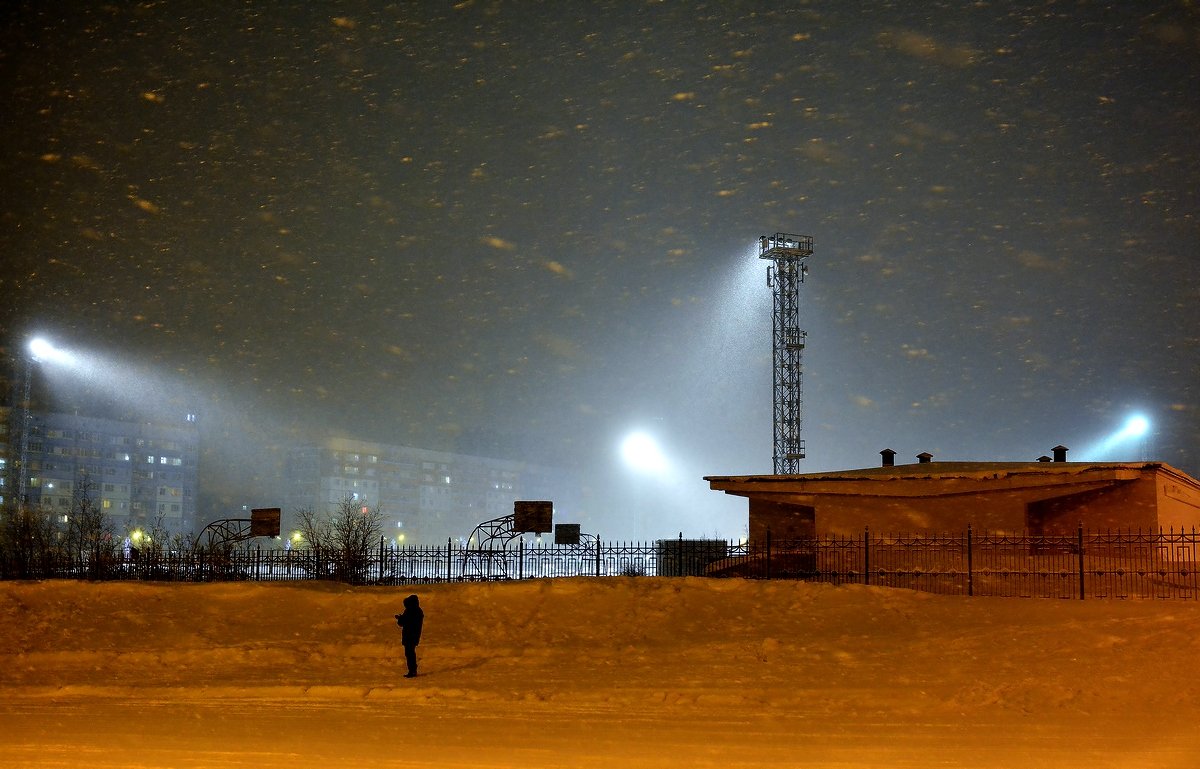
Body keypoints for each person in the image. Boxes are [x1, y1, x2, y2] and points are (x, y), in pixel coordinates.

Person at [395, 594, 424, 678]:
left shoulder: (410, 611)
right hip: (413, 635)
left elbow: (403, 622)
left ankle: (412, 670)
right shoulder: (417, 610)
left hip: (409, 635)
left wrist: (400, 619)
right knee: (410, 653)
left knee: (409, 653)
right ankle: (412, 670)